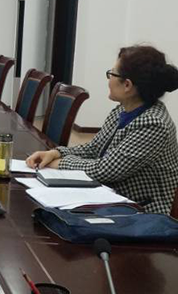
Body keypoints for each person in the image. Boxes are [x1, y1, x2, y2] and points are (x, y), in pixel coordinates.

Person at [27, 45, 178, 214]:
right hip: (110, 197)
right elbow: (94, 148)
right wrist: (56, 153)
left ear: (127, 85)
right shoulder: (122, 109)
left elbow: (105, 170)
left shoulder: (153, 124)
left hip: (140, 212)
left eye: (111, 74)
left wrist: (59, 164)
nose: (108, 79)